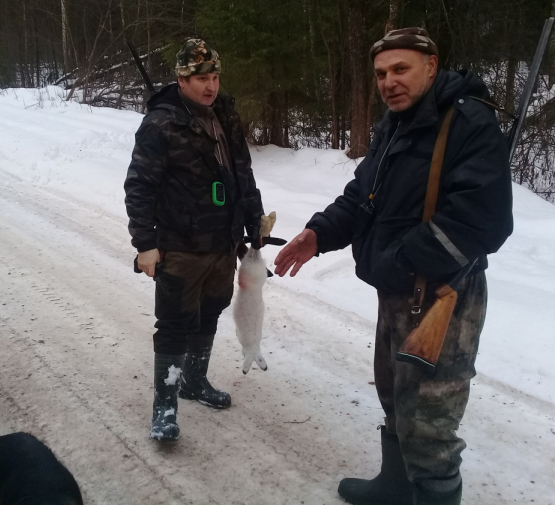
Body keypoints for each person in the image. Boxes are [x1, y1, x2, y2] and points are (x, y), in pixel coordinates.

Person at [274, 27, 513, 505]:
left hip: (444, 298)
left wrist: (398, 261)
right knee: (395, 396)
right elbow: (362, 198)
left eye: (400, 69)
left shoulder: (467, 123)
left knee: (428, 425)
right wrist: (319, 234)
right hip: (399, 290)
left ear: (431, 65)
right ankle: (394, 488)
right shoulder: (396, 125)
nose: (389, 81)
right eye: (381, 73)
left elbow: (481, 222)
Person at [124, 39, 265, 441]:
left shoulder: (226, 116)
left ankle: (193, 381)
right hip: (179, 244)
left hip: (222, 242)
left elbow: (243, 174)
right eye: (202, 78)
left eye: (215, 77)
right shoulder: (160, 123)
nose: (211, 86)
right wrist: (145, 244)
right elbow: (140, 187)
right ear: (182, 79)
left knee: (211, 310)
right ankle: (164, 408)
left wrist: (254, 220)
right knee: (173, 324)